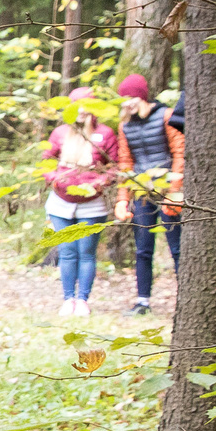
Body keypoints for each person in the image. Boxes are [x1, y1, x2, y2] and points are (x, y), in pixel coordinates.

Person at [43, 104, 124, 317]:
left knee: (86, 253)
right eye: (77, 107)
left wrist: (99, 182)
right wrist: (55, 179)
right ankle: (68, 299)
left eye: (85, 107)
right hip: (60, 204)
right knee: (67, 251)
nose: (81, 112)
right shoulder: (60, 133)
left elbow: (115, 165)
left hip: (92, 204)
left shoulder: (104, 133)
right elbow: (46, 162)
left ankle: (83, 300)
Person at [116, 72, 183, 316]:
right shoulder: (125, 125)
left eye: (131, 98)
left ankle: (186, 298)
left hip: (168, 190)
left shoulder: (166, 116)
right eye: (124, 99)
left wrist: (174, 192)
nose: (128, 104)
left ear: (142, 96)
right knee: (143, 249)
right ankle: (142, 301)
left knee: (177, 248)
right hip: (142, 193)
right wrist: (123, 199)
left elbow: (180, 153)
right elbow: (125, 163)